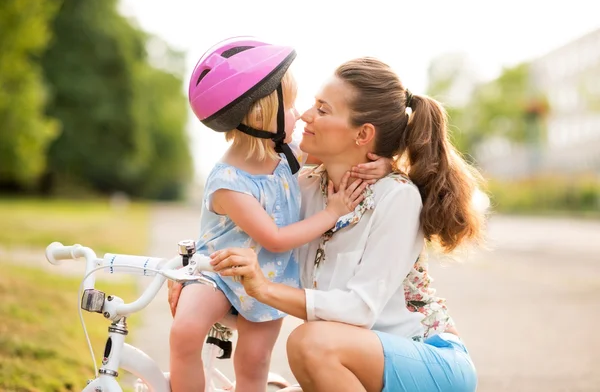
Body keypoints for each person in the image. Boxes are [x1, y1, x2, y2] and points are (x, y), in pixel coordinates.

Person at [172, 56, 486, 392]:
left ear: (363, 134)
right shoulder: (304, 189)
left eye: (323, 109)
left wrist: (264, 289)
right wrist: (195, 272)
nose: (306, 115)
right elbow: (241, 227)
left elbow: (359, 309)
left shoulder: (397, 196)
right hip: (349, 359)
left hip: (427, 361)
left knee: (309, 342)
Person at [170, 38, 390, 392]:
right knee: (185, 333)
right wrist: (332, 212)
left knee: (253, 361)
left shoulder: (286, 155)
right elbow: (272, 237)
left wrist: (383, 161)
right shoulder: (228, 183)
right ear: (261, 115)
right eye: (290, 106)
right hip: (219, 271)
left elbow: (345, 149)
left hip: (268, 280)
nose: (301, 114)